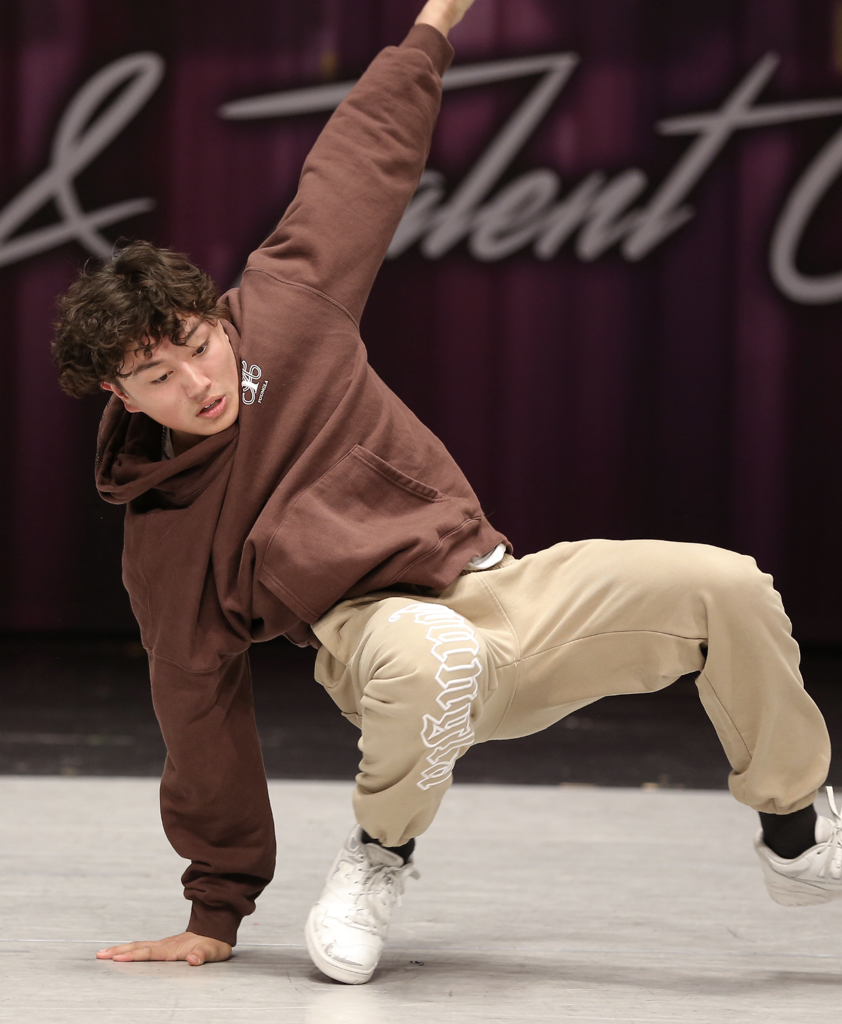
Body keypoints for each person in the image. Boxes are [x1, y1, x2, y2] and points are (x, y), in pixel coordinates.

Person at [52, 0, 841, 988]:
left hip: (504, 587)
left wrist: (432, 22)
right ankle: (377, 856)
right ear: (118, 394)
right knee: (436, 653)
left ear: (218, 315)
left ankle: (791, 826)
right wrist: (216, 904)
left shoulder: (288, 310)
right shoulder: (163, 534)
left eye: (197, 343)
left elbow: (359, 160)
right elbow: (195, 707)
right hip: (377, 635)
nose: (196, 381)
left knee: (725, 586)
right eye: (158, 376)